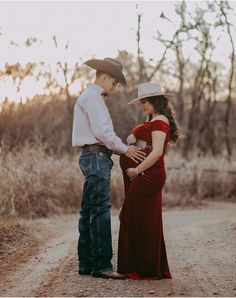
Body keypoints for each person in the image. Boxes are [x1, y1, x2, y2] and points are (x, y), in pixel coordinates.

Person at [72, 58, 146, 279]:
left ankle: (86, 263)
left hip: (91, 155)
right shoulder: (93, 98)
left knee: (88, 210)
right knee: (101, 209)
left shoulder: (90, 97)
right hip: (96, 155)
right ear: (103, 77)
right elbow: (103, 133)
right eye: (114, 83)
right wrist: (125, 149)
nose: (114, 88)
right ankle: (102, 265)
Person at [118, 82, 180, 279]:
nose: (141, 106)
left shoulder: (160, 120)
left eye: (144, 102)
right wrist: (134, 136)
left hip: (150, 175)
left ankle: (143, 267)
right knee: (142, 218)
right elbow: (147, 140)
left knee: (131, 214)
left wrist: (136, 170)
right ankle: (145, 266)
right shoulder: (154, 119)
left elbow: (157, 152)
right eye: (140, 102)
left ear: (155, 101)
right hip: (146, 173)